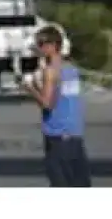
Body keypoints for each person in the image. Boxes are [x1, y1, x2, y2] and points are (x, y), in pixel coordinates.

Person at [25, 25, 92, 187]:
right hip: (74, 133)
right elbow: (59, 95)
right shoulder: (71, 69)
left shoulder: (50, 71)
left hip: (57, 134)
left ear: (53, 45)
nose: (39, 49)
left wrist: (30, 88)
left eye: (41, 45)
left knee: (59, 182)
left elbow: (47, 104)